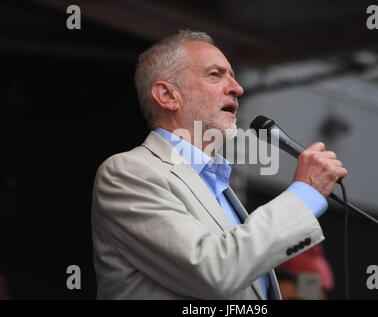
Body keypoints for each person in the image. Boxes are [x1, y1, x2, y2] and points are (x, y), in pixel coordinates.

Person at [91, 30, 347, 300]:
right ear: (168, 95)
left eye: (233, 76)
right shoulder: (128, 172)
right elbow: (214, 271)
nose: (237, 88)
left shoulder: (215, 182)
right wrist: (305, 192)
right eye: (215, 75)